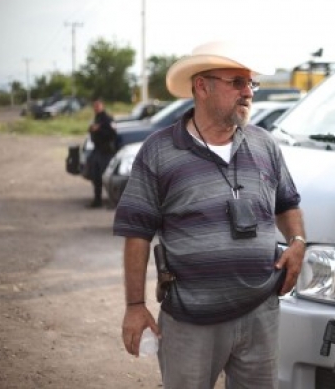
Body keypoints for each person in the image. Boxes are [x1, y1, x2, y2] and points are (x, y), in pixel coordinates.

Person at [113, 41, 306, 389]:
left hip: (260, 312)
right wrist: (135, 305)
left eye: (251, 84)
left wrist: (297, 241)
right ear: (202, 86)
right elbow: (136, 231)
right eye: (237, 82)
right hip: (191, 320)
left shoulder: (264, 144)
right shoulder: (159, 151)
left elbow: (287, 203)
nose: (248, 92)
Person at [86, 98, 117, 208]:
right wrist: (92, 129)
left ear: (102, 106)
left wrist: (99, 130)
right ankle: (97, 200)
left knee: (107, 178)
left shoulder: (108, 119)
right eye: (95, 106)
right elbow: (91, 131)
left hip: (106, 152)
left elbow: (112, 135)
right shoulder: (96, 119)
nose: (96, 108)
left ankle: (112, 201)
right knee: (96, 177)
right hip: (97, 151)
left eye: (98, 106)